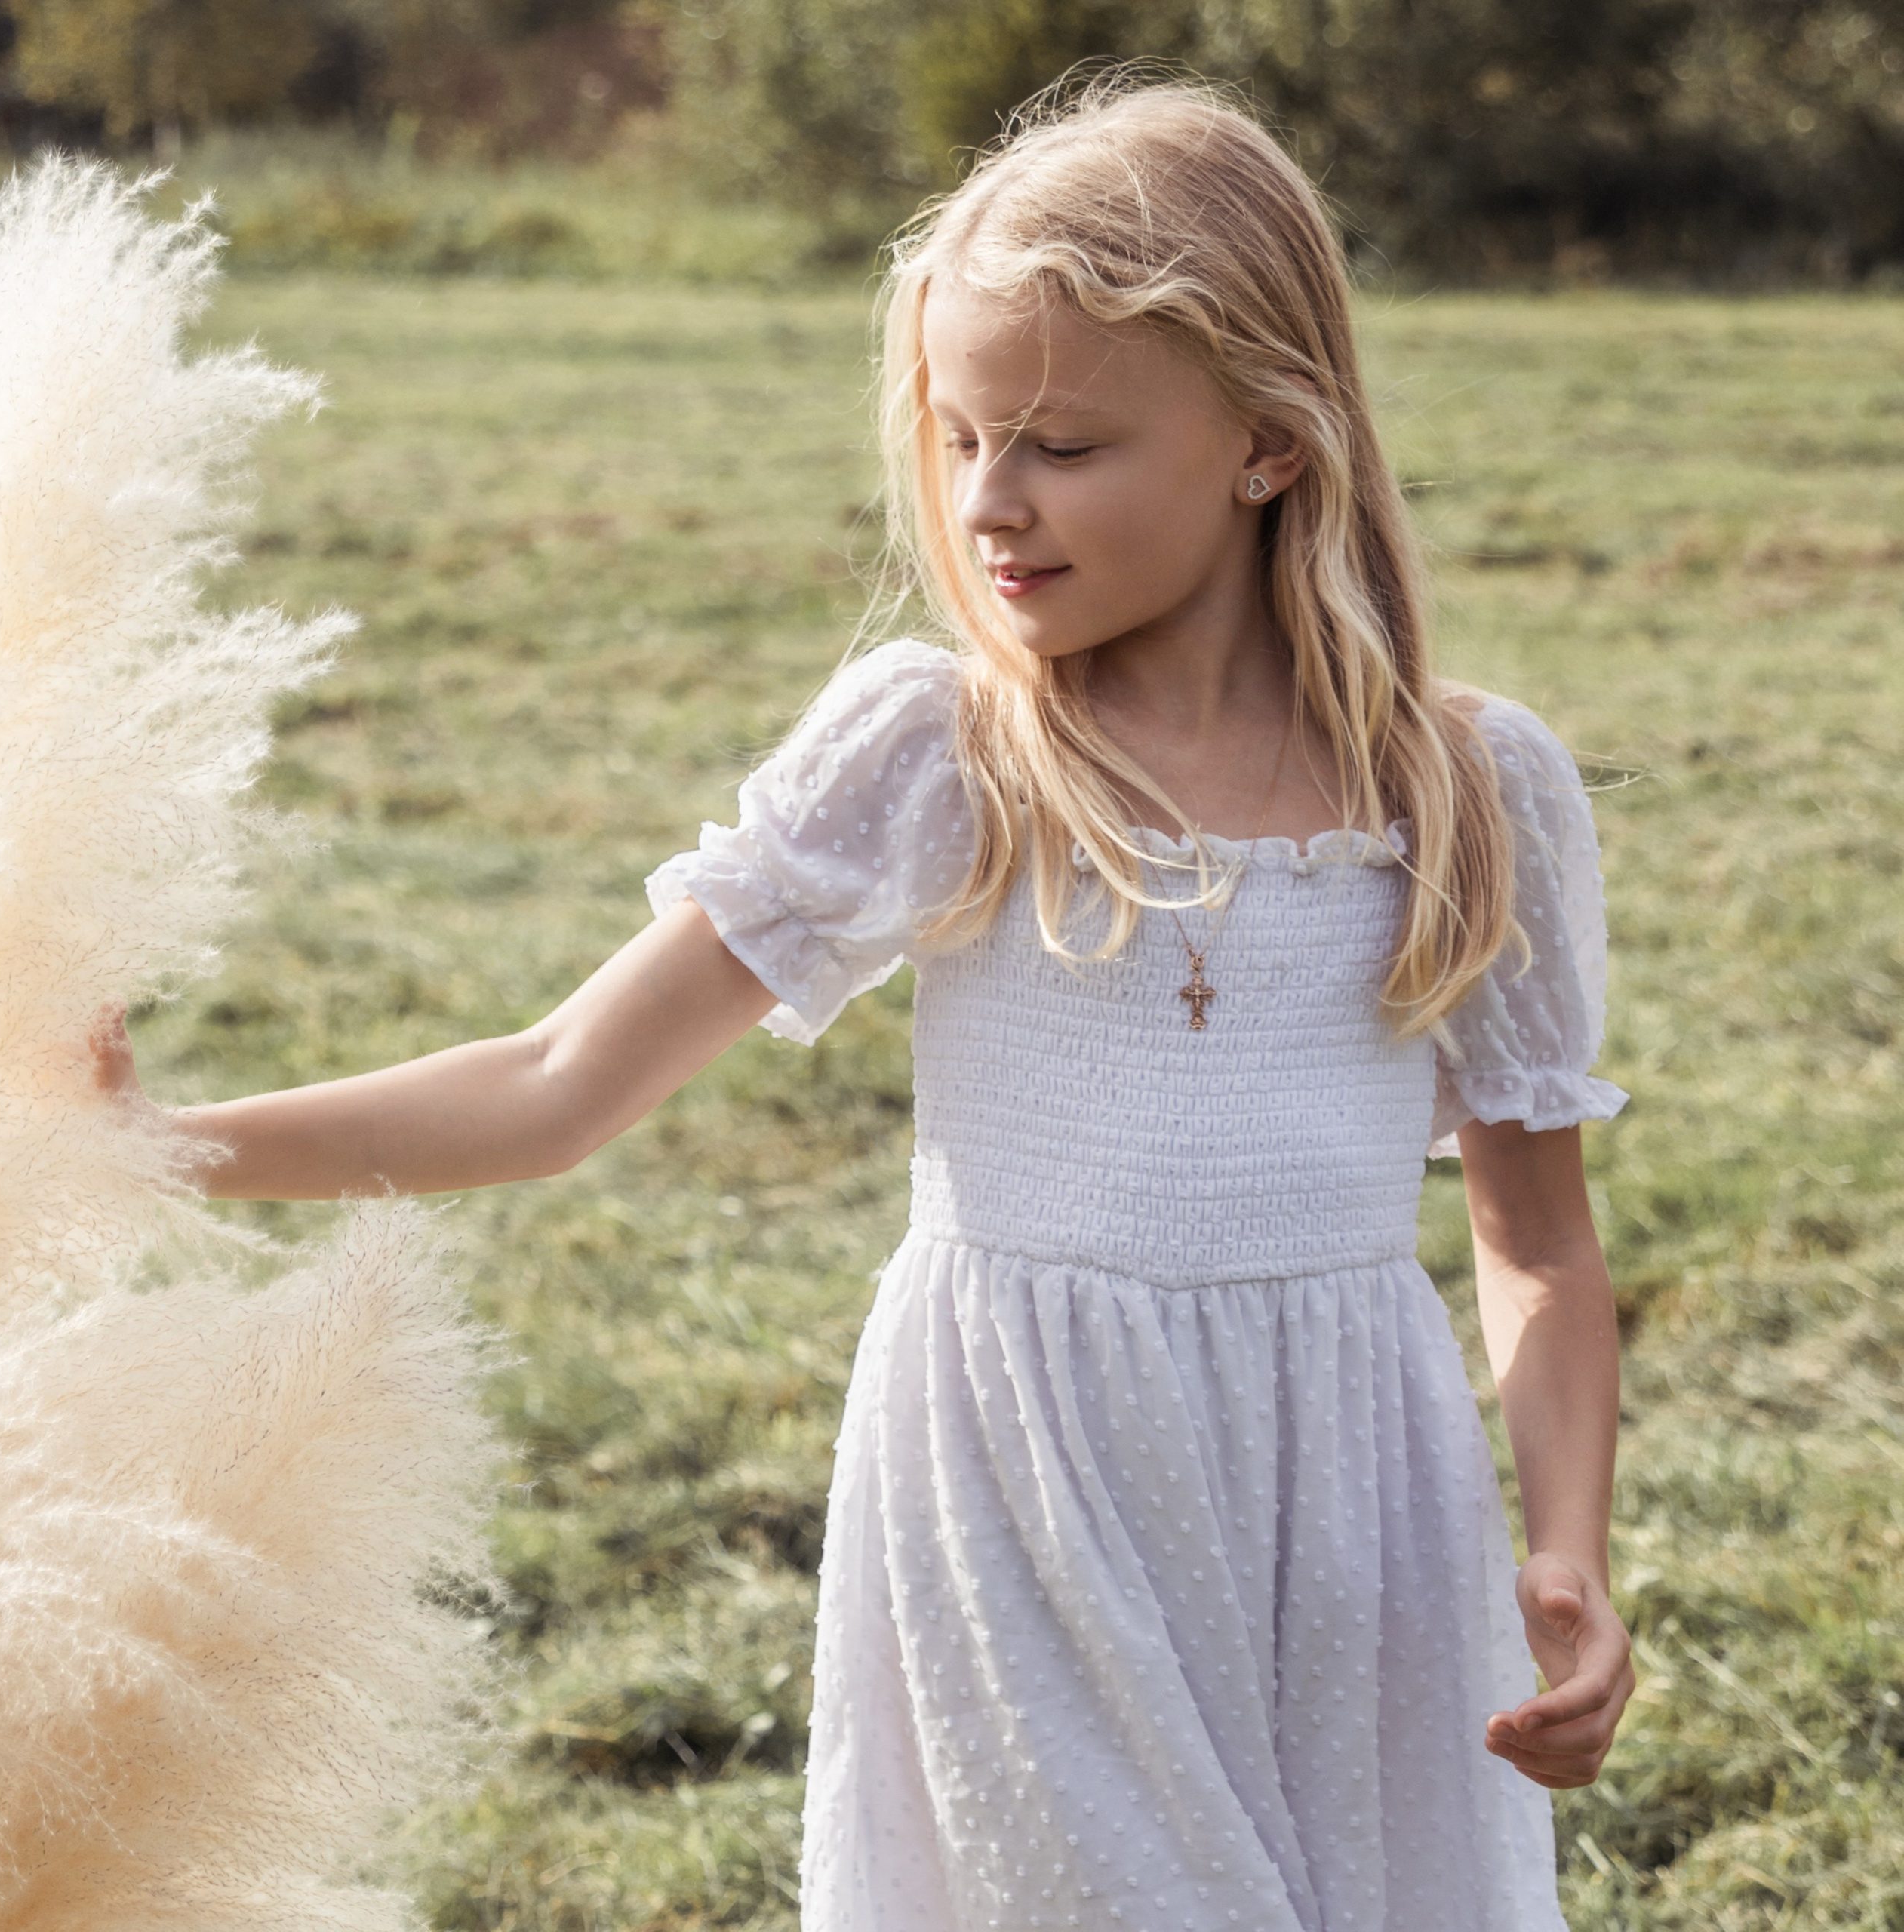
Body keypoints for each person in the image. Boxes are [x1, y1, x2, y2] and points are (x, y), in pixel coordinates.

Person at [97, 78, 1634, 1932]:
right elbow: (555, 1080)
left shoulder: (1469, 792)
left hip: (1352, 1522)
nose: (988, 500)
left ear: (1265, 440)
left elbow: (1534, 1240)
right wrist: (152, 1146)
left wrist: (1564, 1550)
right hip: (1026, 1507)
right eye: (963, 433)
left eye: (1062, 444)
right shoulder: (943, 755)